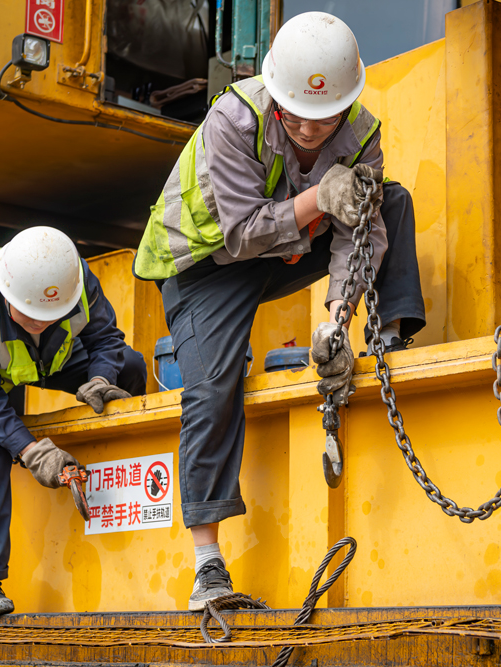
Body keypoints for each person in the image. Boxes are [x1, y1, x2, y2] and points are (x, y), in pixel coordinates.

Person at [133, 12, 425, 609]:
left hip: (288, 244)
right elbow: (239, 234)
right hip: (207, 263)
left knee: (387, 201)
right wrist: (321, 197)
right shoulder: (233, 120)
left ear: (346, 103)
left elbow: (358, 233)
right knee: (214, 386)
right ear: (276, 95)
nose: (308, 128)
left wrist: (336, 317)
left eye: (324, 117)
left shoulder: (362, 133)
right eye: (295, 114)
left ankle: (387, 336)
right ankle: (208, 564)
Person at [0, 226, 147, 618]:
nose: (39, 321)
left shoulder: (72, 277)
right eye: (30, 315)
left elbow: (106, 340)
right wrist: (32, 451)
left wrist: (101, 378)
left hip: (44, 358)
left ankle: (133, 499)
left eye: (49, 315)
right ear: (7, 294)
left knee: (132, 366)